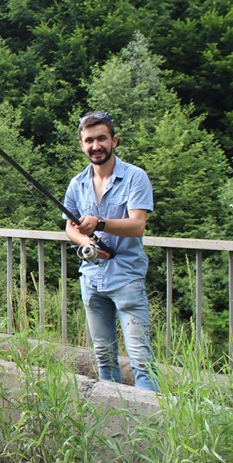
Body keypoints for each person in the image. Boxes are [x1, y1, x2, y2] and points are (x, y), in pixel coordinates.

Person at [64, 111, 158, 391]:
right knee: (104, 356)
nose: (96, 145)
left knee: (141, 358)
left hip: (127, 277)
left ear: (114, 140)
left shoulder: (134, 177)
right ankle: (115, 417)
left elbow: (138, 225)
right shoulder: (76, 184)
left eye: (101, 138)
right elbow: (69, 228)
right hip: (91, 279)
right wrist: (87, 243)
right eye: (89, 140)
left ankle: (150, 421)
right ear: (82, 145)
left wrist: (100, 223)